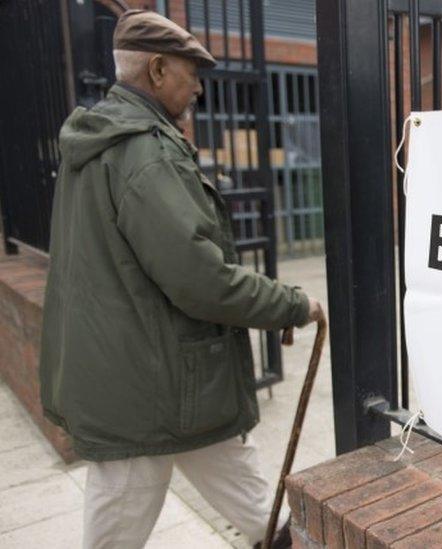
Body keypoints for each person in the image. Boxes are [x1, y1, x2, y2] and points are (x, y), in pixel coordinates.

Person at [38, 9, 322, 548]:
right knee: (116, 533)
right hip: (143, 393)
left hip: (169, 384)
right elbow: (200, 280)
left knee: (262, 511)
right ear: (159, 70)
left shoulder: (104, 143)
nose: (199, 87)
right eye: (193, 72)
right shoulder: (142, 153)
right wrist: (291, 304)